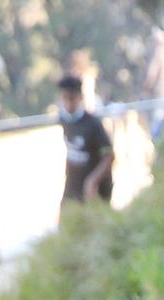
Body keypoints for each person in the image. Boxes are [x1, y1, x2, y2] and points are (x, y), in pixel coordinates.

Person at [56, 75, 114, 212]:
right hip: (73, 183)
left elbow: (109, 155)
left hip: (96, 188)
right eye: (65, 98)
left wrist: (93, 181)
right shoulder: (64, 120)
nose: (69, 104)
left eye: (72, 98)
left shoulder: (93, 124)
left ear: (79, 98)